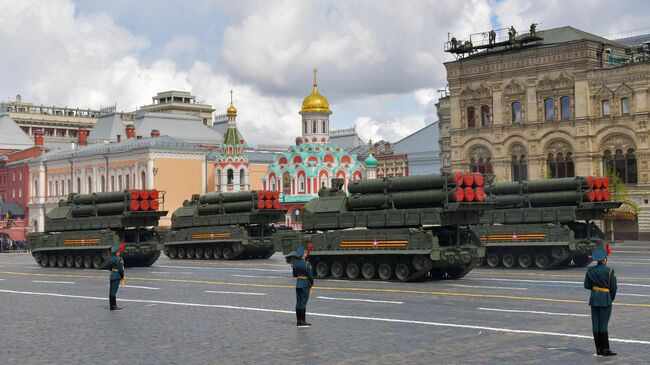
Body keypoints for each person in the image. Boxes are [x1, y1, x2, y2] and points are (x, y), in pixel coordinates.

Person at [584, 247, 617, 356]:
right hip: (605, 299)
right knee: (603, 325)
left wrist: (596, 288)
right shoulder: (609, 271)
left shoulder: (590, 271)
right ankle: (606, 349)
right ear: (604, 260)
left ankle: (598, 349)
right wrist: (610, 298)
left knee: (596, 325)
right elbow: (613, 288)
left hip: (594, 299)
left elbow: (586, 285)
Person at [293, 246, 314, 327]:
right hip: (305, 284)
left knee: (298, 302)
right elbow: (310, 277)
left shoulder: (295, 263)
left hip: (298, 283)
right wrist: (311, 284)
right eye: (305, 252)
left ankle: (298, 321)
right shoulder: (307, 264)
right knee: (303, 303)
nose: (306, 254)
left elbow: (294, 275)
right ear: (303, 254)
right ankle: (302, 321)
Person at [109, 242, 125, 311]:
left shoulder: (111, 258)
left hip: (112, 275)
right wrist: (122, 277)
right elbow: (121, 269)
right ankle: (114, 306)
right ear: (117, 252)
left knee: (111, 291)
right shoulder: (118, 259)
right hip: (117, 276)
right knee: (114, 292)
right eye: (119, 251)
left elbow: (110, 268)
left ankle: (111, 306)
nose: (120, 252)